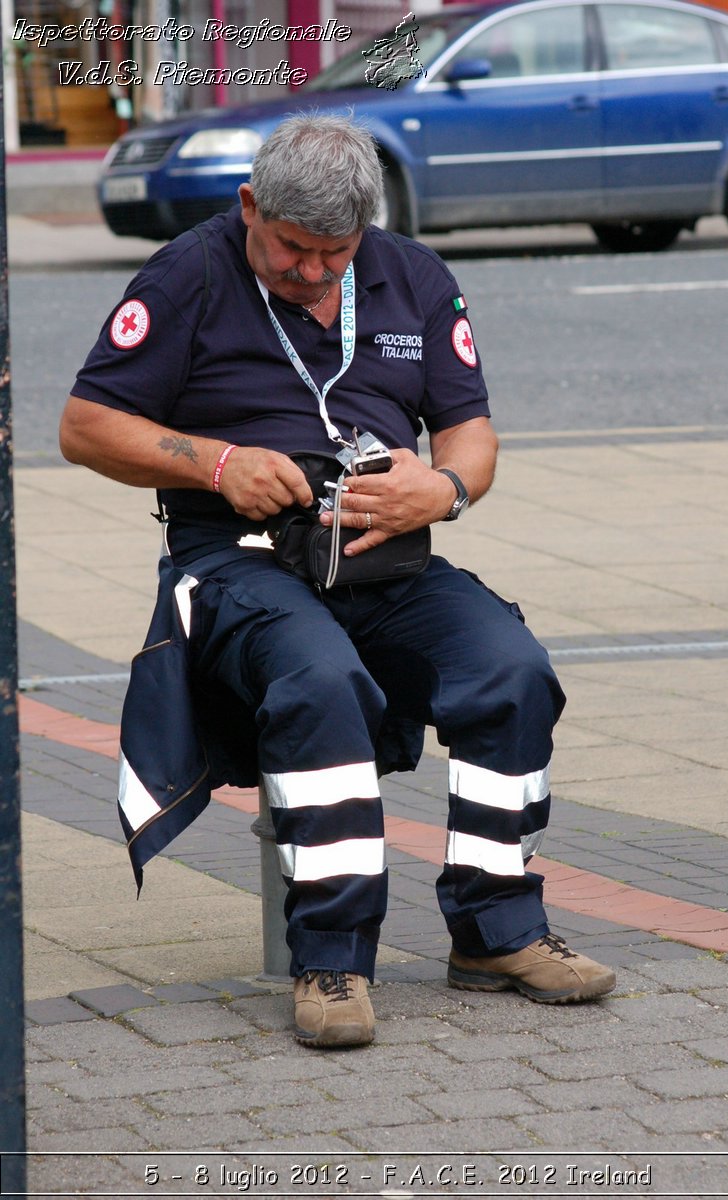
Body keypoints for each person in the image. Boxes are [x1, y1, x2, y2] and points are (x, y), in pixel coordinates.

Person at [61, 113, 615, 1049]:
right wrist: (213, 461)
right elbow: (84, 425)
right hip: (237, 561)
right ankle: (333, 959)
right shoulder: (186, 275)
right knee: (320, 683)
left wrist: (439, 489)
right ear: (248, 207)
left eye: (336, 253)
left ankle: (496, 932)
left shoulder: (413, 276)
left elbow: (472, 435)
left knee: (510, 666)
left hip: (385, 553)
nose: (314, 273)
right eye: (291, 249)